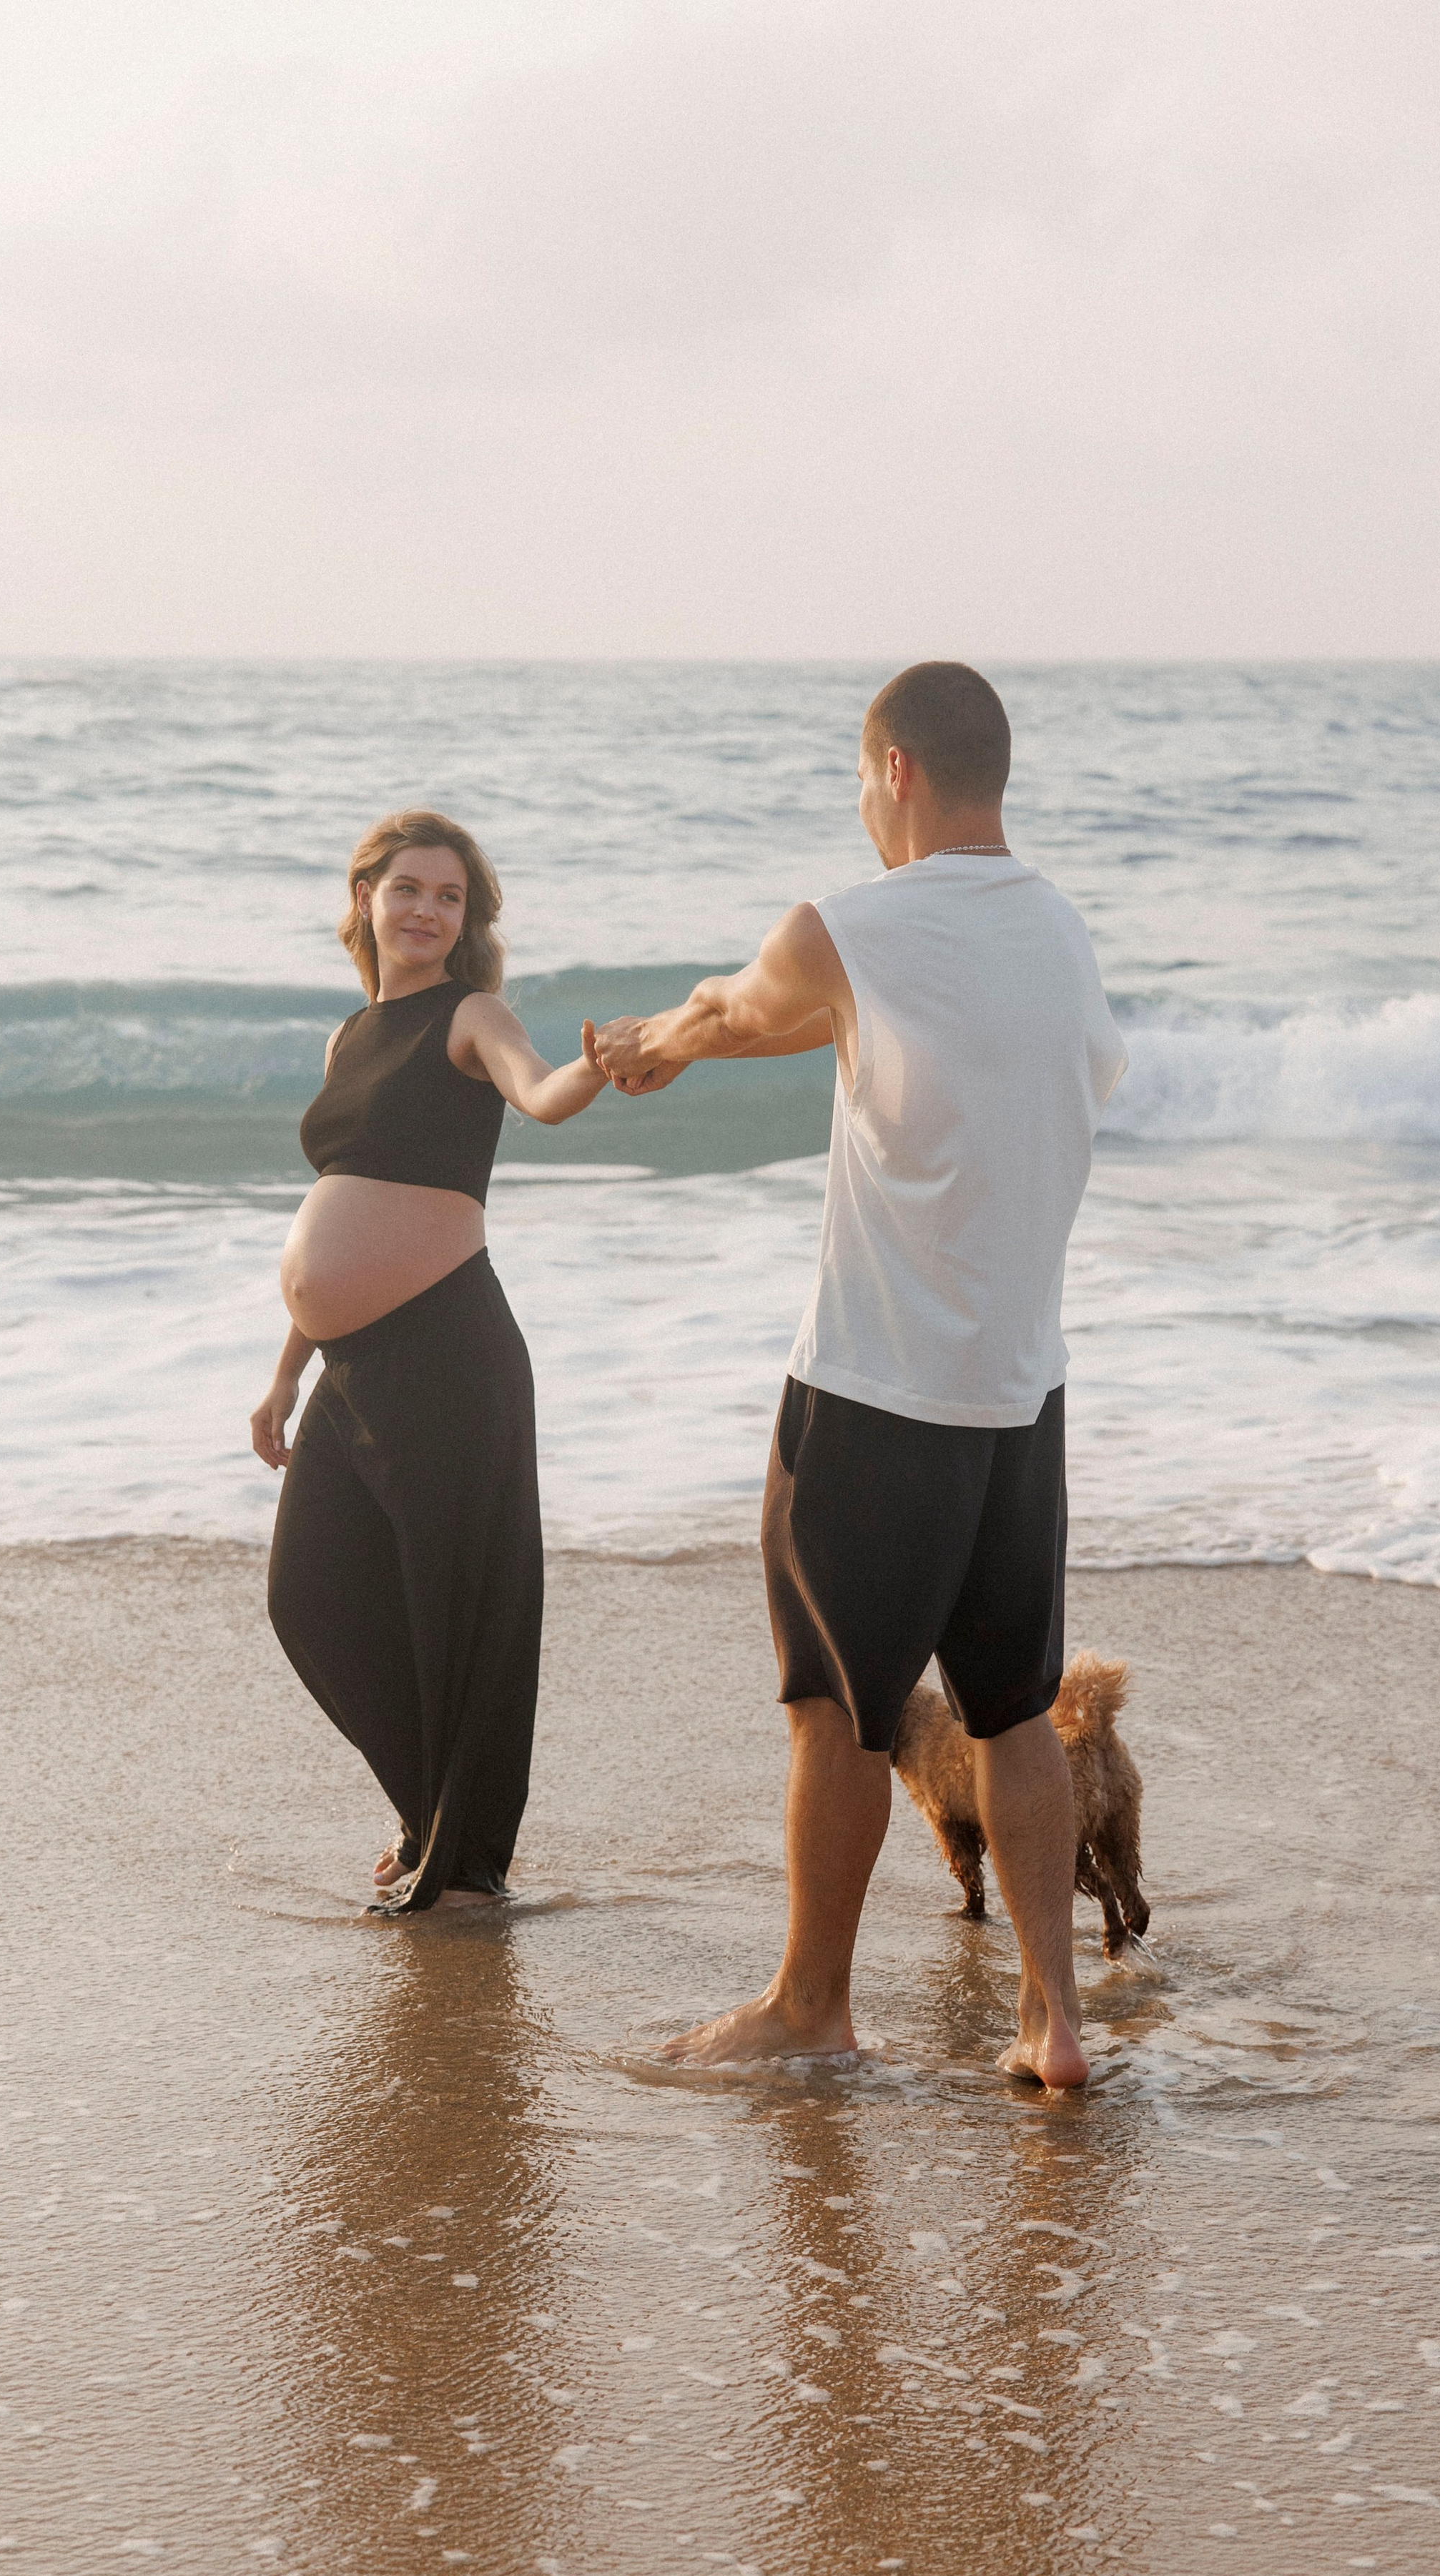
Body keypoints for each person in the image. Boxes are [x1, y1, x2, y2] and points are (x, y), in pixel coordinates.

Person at [593, 663, 1127, 2085]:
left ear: (892, 769)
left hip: (877, 1393)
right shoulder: (1062, 935)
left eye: (857, 778)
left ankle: (809, 2006)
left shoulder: (853, 922)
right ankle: (1050, 2020)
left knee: (835, 1702)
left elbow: (740, 1008)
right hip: (1020, 1395)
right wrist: (728, 1026)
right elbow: (817, 1018)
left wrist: (655, 1044)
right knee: (1012, 1711)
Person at [251, 809, 608, 1912]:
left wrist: (596, 1067)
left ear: (468, 919)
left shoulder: (473, 1016)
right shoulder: (348, 1038)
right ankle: (427, 1817)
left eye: (449, 897)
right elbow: (336, 1215)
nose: (425, 910)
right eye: (407, 888)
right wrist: (285, 1375)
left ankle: (465, 1871)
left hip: (451, 1350)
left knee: (461, 1610)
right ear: (365, 896)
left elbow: (539, 1093)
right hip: (350, 1368)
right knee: (308, 1593)